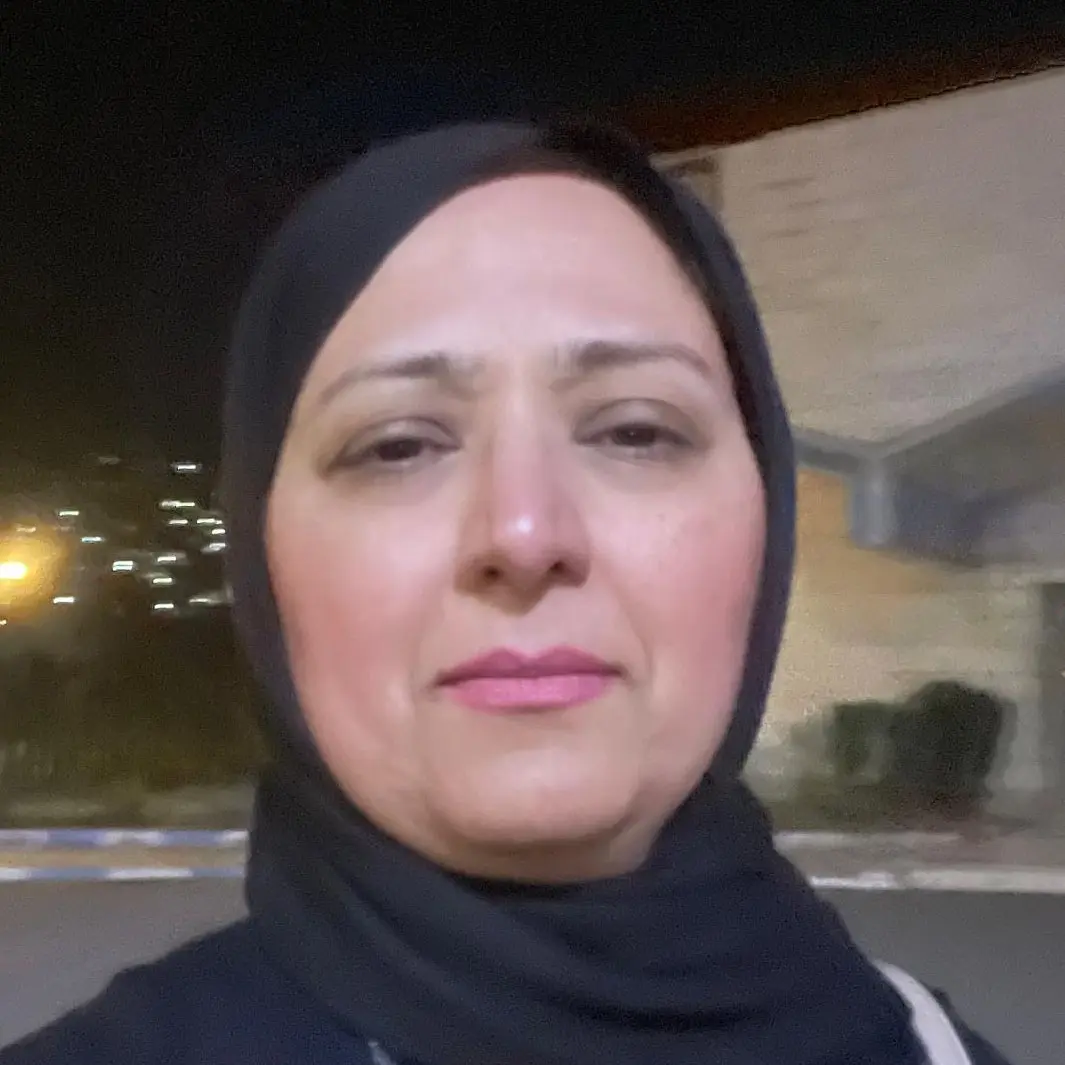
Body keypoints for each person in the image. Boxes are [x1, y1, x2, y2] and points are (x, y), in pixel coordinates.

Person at [2, 119, 1013, 1065]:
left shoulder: (933, 1048)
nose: (524, 535)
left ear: (767, 512)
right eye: (397, 445)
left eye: (636, 431)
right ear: (264, 559)